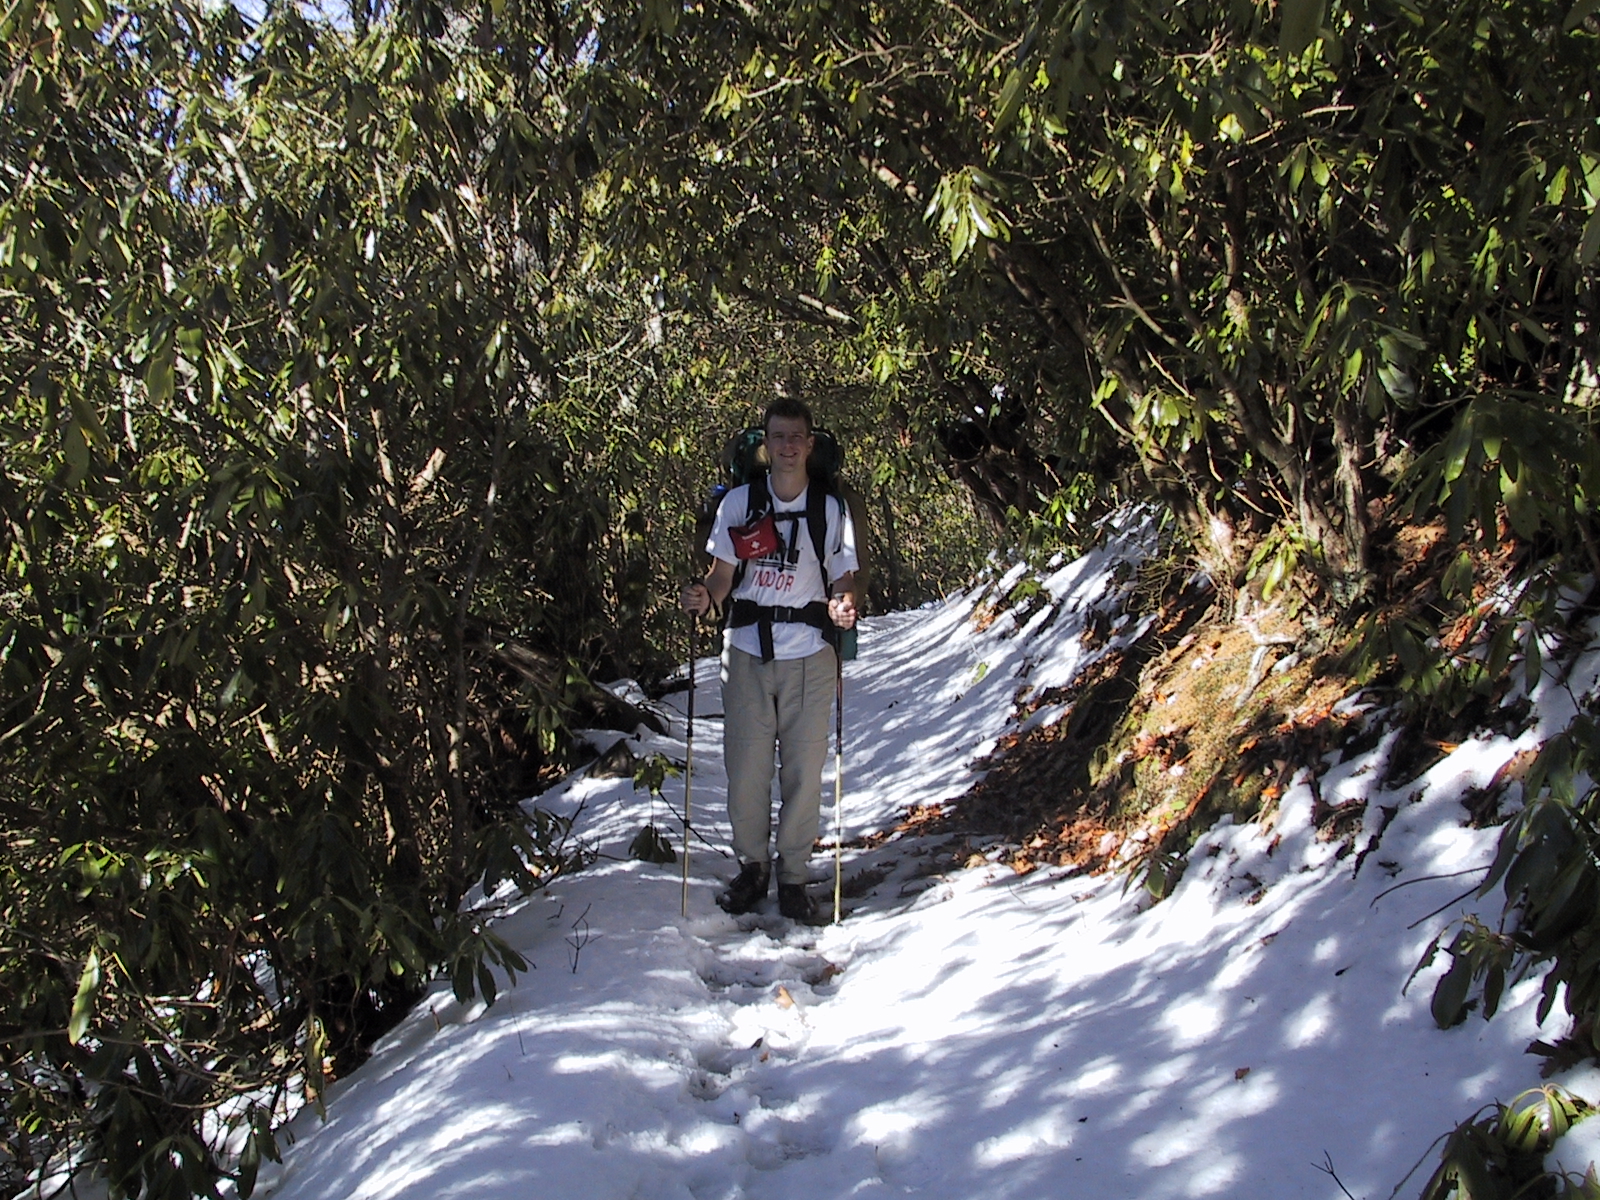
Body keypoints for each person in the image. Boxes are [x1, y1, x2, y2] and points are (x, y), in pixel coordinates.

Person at [680, 397, 859, 921]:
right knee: (747, 771)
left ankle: (794, 876)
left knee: (805, 770)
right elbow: (721, 576)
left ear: (809, 443)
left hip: (809, 653)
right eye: (777, 437)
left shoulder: (829, 508)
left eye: (796, 437)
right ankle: (753, 868)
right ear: (765, 444)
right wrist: (704, 598)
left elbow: (843, 576)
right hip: (746, 651)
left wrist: (844, 606)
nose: (787, 446)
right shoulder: (739, 503)